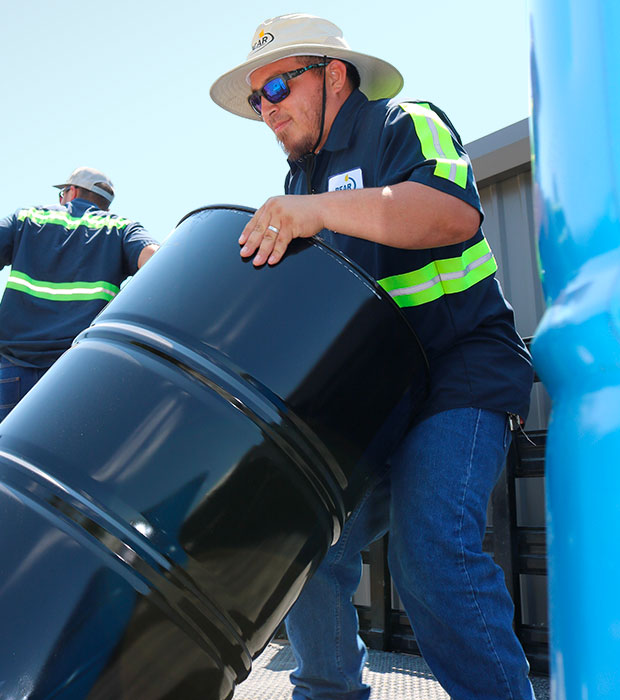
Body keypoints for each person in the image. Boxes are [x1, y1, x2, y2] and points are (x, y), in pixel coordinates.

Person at [210, 14, 536, 700]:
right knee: (300, 545)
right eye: (255, 99)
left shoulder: (402, 123)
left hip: (459, 375)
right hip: (376, 402)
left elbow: (451, 214)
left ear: (333, 73)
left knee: (429, 555)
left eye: (276, 85)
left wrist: (324, 212)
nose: (265, 108)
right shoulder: (300, 186)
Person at [0, 166, 158, 423]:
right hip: (82, 367)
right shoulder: (119, 228)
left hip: (19, 365)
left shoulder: (28, 218)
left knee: (14, 457)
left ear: (70, 191)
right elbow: (158, 260)